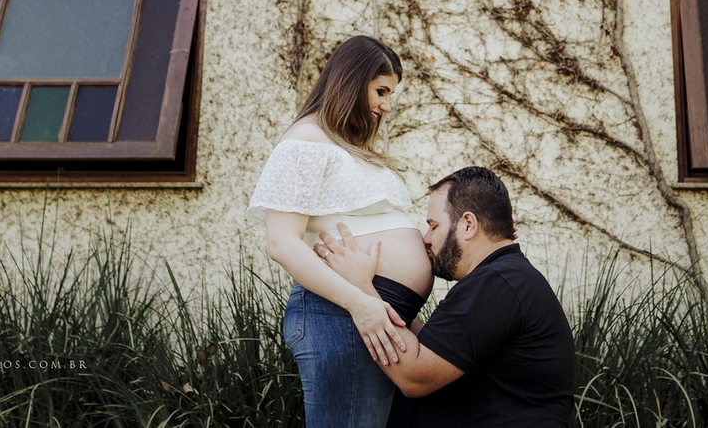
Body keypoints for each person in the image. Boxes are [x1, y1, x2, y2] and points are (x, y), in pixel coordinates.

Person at [246, 35, 432, 428]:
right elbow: (281, 242)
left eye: (391, 94)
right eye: (381, 91)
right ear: (352, 81)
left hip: (376, 312)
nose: (387, 105)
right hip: (341, 315)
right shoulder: (305, 141)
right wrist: (359, 304)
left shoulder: (345, 146)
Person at [315, 166, 576, 428]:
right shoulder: (506, 280)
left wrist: (360, 286)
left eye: (433, 226)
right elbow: (432, 352)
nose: (426, 238)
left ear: (468, 225)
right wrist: (383, 290)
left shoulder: (498, 282)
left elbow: (414, 376)